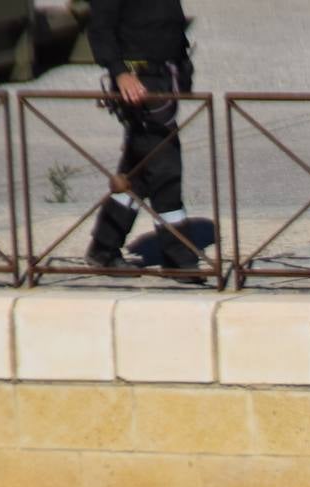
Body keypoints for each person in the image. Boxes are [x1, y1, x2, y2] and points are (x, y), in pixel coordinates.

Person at [85, 0, 204, 281]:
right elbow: (99, 29)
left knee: (136, 175)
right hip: (137, 84)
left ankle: (103, 248)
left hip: (163, 78)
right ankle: (179, 258)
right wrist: (120, 74)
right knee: (165, 166)